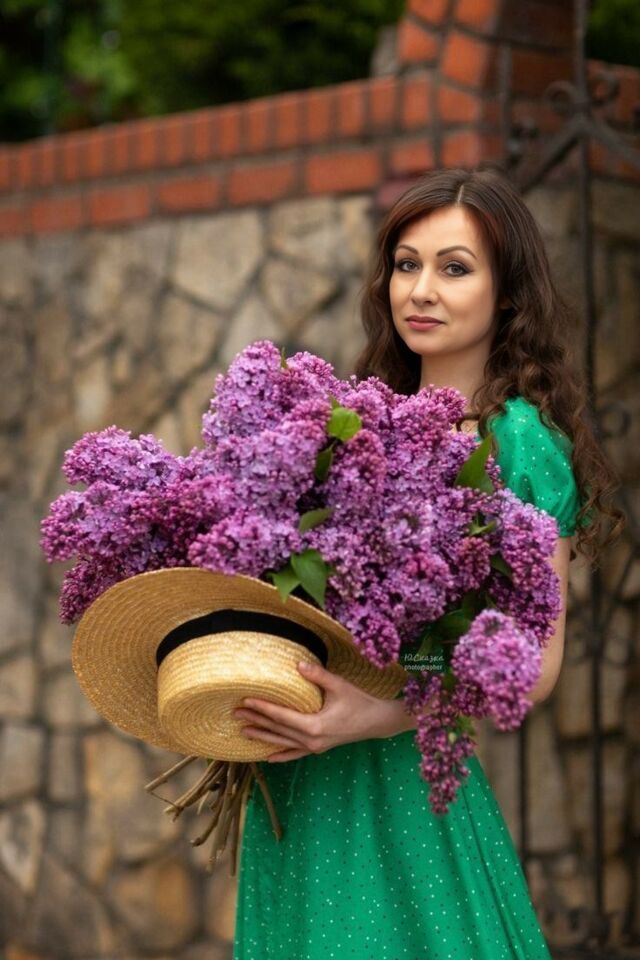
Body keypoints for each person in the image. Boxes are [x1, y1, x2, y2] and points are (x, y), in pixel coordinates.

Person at [232, 164, 624, 959]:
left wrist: (370, 714)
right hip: (297, 775)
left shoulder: (517, 443)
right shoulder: (353, 425)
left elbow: (536, 664)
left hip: (405, 783)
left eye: (454, 268)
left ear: (507, 293)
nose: (421, 290)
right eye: (407, 264)